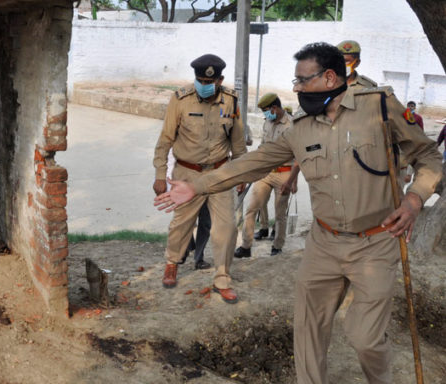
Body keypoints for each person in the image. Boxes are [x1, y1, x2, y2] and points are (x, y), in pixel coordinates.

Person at [155, 42, 442, 383]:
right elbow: (253, 162)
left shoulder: (379, 107)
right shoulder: (301, 126)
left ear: (330, 77)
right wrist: (198, 185)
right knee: (307, 333)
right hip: (323, 244)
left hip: (376, 243)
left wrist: (414, 199)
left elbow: (427, 156)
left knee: (364, 336)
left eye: (303, 81)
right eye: (296, 81)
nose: (296, 88)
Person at [153, 53, 247, 304]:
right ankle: (172, 262)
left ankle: (222, 278)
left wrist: (240, 174)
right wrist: (160, 175)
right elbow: (165, 141)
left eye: (209, 81)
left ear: (220, 80)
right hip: (187, 173)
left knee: (226, 227)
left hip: (220, 172)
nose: (203, 85)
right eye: (199, 80)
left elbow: (237, 143)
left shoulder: (231, 101)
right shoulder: (180, 100)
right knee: (181, 223)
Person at [234, 93, 299, 258]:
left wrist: (292, 182)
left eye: (266, 110)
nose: (265, 114)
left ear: (275, 108)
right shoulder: (267, 124)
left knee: (279, 214)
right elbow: (262, 148)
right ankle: (246, 246)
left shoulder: (292, 125)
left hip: (284, 174)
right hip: (266, 173)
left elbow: (298, 157)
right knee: (251, 209)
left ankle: (277, 246)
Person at [178, 204, 212, 270]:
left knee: (205, 222)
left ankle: (199, 259)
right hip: (186, 195)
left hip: (207, 195)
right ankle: (186, 247)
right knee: (185, 220)